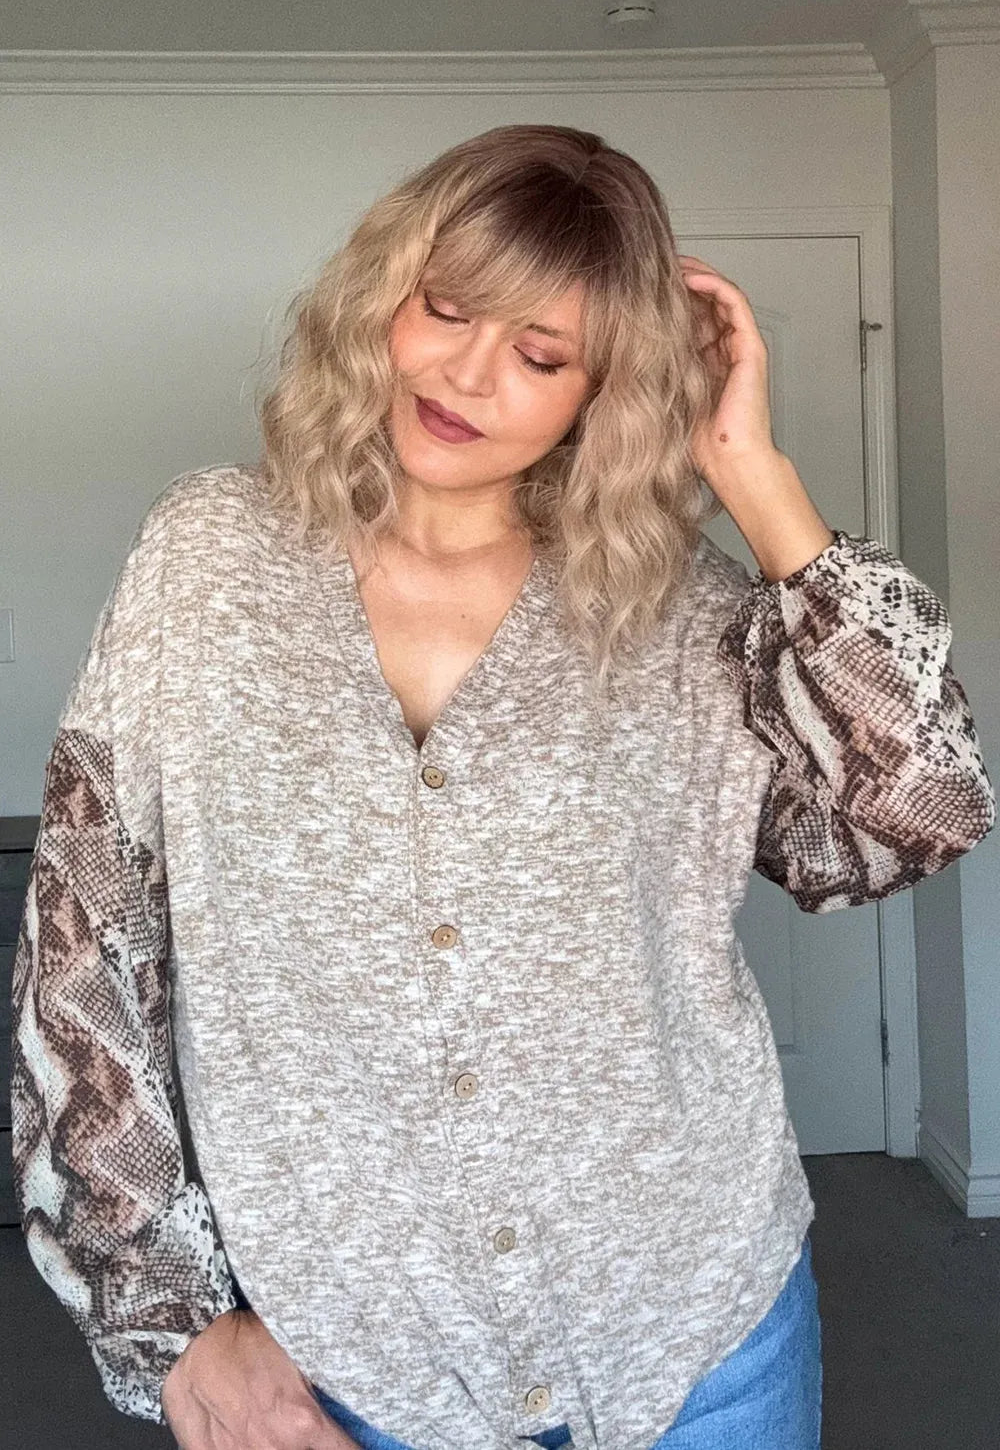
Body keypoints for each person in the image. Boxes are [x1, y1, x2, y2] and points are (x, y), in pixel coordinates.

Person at [10, 124, 995, 1450]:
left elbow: (914, 813)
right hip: (352, 1348)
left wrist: (754, 480)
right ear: (385, 299)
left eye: (542, 356)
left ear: (606, 392)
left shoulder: (683, 615)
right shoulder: (210, 556)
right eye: (448, 309)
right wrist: (169, 1315)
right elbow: (85, 938)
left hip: (692, 1322)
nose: (468, 376)